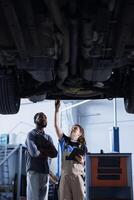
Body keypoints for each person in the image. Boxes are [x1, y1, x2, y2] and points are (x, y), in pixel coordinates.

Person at [54, 99, 87, 200]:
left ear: (80, 133)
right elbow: (56, 126)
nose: (73, 128)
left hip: (78, 177)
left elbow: (84, 161)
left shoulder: (83, 146)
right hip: (65, 177)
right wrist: (57, 110)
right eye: (72, 127)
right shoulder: (65, 141)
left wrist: (82, 161)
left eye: (76, 128)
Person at [25, 112, 57, 200]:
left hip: (45, 171)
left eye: (45, 118)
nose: (43, 119)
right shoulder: (31, 135)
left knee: (43, 198)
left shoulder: (48, 137)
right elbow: (34, 153)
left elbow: (54, 154)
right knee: (33, 198)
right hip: (34, 171)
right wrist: (46, 151)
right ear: (35, 120)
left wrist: (40, 149)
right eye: (40, 117)